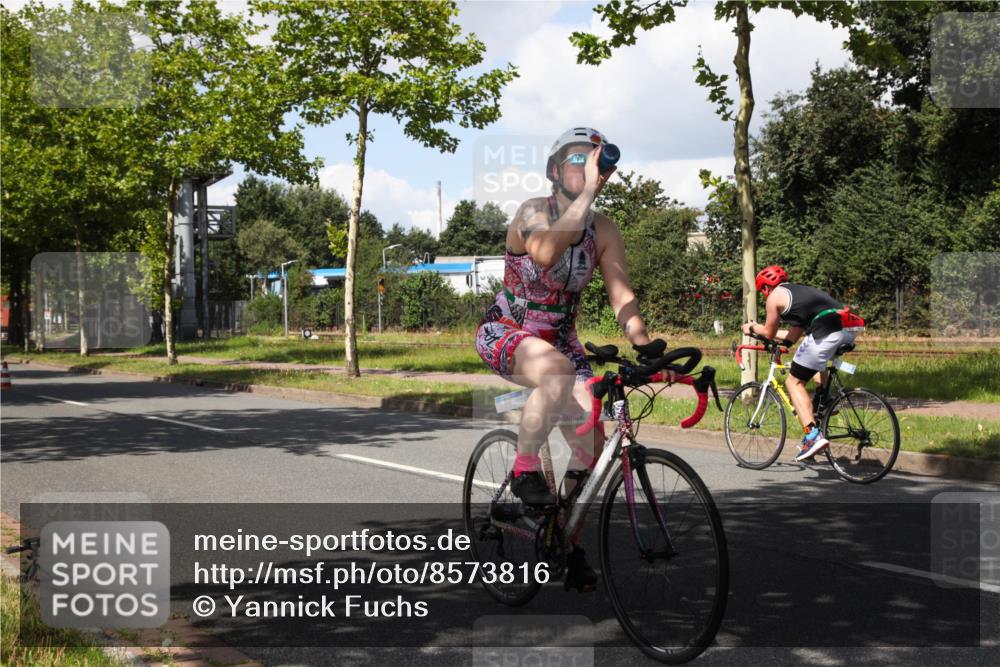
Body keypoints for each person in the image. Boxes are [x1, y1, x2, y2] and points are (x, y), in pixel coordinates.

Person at [475, 127, 666, 590]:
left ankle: (561, 538)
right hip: (509, 331)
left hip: (561, 342)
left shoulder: (604, 230)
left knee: (592, 445)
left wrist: (644, 344)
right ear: (555, 170)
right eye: (576, 159)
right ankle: (523, 473)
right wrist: (587, 198)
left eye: (593, 159)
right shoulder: (533, 211)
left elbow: (622, 295)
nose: (586, 167)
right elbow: (544, 252)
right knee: (556, 373)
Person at [743, 266, 857, 462]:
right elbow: (790, 338)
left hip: (825, 331)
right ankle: (825, 398)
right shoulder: (800, 296)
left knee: (793, 382)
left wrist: (752, 327)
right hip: (848, 328)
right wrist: (766, 335)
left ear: (765, 288)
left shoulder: (773, 297)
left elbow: (769, 332)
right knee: (811, 359)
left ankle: (812, 436)